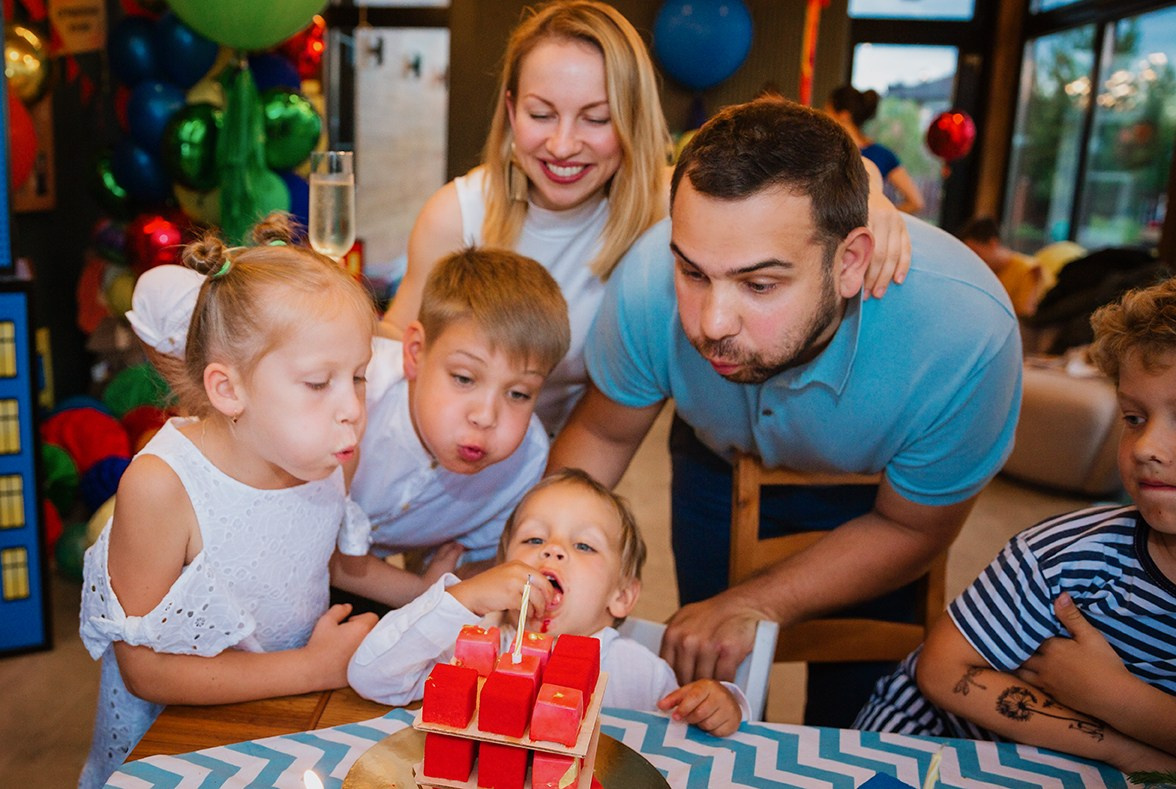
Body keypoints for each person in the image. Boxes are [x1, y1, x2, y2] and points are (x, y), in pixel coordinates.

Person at [547, 97, 1022, 727]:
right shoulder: (644, 279)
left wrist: (759, 600)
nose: (711, 322)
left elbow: (915, 529)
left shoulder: (968, 334)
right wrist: (533, 552)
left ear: (849, 262)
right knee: (708, 684)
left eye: (760, 285)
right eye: (692, 272)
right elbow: (602, 432)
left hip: (882, 499)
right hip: (715, 465)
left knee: (862, 715)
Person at [381, 0, 911, 435]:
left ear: (633, 116)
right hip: (447, 452)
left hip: (557, 460)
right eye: (541, 115)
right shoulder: (457, 214)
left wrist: (871, 195)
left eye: (596, 118)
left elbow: (803, 167)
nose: (563, 145)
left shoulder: (667, 203)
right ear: (511, 109)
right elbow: (393, 347)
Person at [77, 215, 380, 787]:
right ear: (228, 388)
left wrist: (444, 596)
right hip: (173, 748)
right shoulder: (163, 487)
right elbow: (145, 671)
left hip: (282, 722)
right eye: (320, 382)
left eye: (359, 376)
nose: (352, 409)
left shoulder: (330, 454)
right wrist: (314, 666)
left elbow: (330, 562)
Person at [855, 277, 1176, 774]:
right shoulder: (1067, 556)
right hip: (928, 753)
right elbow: (941, 671)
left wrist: (1120, 698)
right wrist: (1122, 746)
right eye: (1133, 417)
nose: (1145, 447)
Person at [347, 468, 748, 736]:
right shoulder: (470, 646)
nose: (553, 551)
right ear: (502, 570)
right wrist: (466, 596)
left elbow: (683, 739)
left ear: (621, 596)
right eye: (534, 540)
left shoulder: (638, 672)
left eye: (584, 545)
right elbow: (371, 676)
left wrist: (724, 702)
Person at [332, 248, 572, 607]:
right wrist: (421, 594)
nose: (486, 415)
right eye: (463, 378)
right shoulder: (354, 392)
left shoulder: (524, 464)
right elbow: (309, 546)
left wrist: (444, 589)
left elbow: (475, 575)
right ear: (415, 352)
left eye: (519, 393)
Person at [826, 85, 925, 215]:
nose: (825, 117)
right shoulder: (883, 154)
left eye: (827, 111)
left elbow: (916, 203)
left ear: (844, 116)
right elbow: (916, 202)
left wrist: (879, 218)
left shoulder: (828, 151)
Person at [957, 215, 1049, 318]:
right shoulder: (987, 271)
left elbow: (1026, 316)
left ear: (993, 243)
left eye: (976, 252)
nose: (974, 259)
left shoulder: (1028, 270)